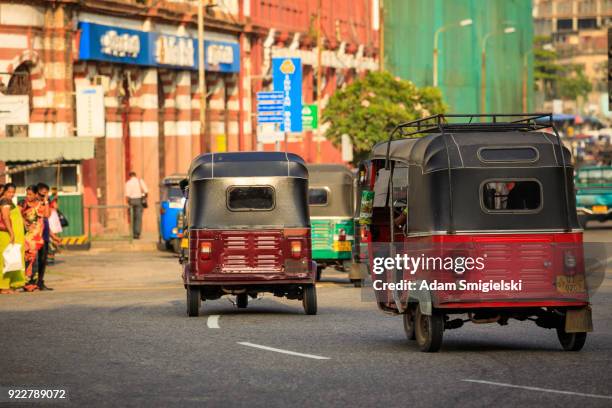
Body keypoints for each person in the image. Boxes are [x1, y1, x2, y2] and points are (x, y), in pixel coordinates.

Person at [0, 183, 27, 294]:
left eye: (13, 192)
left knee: (12, 260)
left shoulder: (10, 202)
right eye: (9, 192)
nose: (11, 194)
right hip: (6, 235)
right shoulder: (5, 201)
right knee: (5, 260)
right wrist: (11, 233)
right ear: (4, 192)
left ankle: (9, 284)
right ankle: (3, 286)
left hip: (13, 236)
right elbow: (6, 217)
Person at [20, 185, 44, 291]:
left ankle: (33, 283)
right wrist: (23, 221)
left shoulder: (40, 204)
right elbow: (16, 214)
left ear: (35, 194)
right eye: (27, 194)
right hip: (27, 236)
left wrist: (46, 202)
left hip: (37, 236)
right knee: (27, 258)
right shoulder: (23, 203)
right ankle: (25, 282)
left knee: (35, 260)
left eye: (30, 194)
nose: (28, 196)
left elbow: (46, 214)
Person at [33, 182, 52, 291]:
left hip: (44, 234)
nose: (43, 197)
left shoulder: (45, 202)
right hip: (34, 235)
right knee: (32, 260)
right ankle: (30, 281)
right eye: (41, 195)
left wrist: (46, 201)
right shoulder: (32, 204)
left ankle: (40, 281)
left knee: (43, 259)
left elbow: (47, 215)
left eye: (45, 194)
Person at [125, 171, 148, 239]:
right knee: (138, 218)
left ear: (130, 176)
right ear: (135, 175)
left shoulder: (128, 183)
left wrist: (128, 202)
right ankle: (137, 234)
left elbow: (127, 195)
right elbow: (146, 191)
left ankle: (132, 233)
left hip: (131, 201)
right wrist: (144, 198)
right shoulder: (140, 181)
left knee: (132, 217)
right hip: (139, 200)